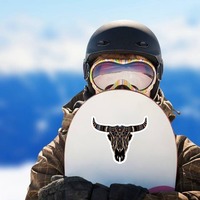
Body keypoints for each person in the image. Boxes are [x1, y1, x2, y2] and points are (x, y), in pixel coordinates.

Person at [25, 20, 200, 200]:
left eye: (138, 76)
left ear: (155, 81)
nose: (121, 88)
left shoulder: (183, 154)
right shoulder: (59, 153)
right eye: (106, 75)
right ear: (90, 81)